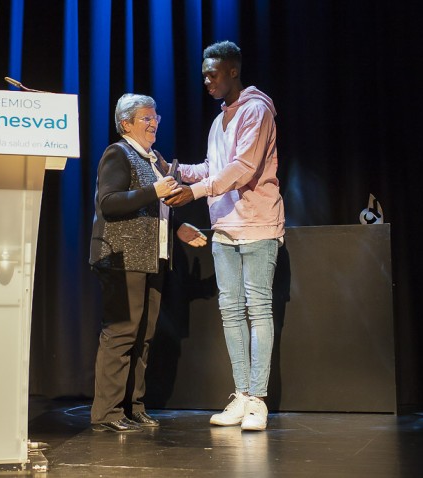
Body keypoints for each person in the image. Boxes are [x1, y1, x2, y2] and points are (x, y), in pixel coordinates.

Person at [166, 40, 285, 431]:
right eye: (203, 74)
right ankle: (241, 394)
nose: (206, 80)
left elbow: (243, 168)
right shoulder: (220, 120)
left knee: (258, 309)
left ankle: (258, 400)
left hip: (258, 225)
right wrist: (179, 171)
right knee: (231, 312)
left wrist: (196, 191)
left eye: (212, 73)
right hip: (224, 228)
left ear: (233, 71)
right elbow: (214, 167)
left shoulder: (256, 110)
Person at [89, 93, 181, 433]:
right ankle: (108, 411)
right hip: (121, 256)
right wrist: (153, 192)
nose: (154, 122)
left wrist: (179, 226)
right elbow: (109, 204)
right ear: (126, 123)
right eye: (146, 117)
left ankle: (134, 406)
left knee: (144, 335)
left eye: (156, 117)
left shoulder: (153, 158)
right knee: (121, 333)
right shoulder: (118, 153)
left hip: (151, 257)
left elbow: (156, 205)